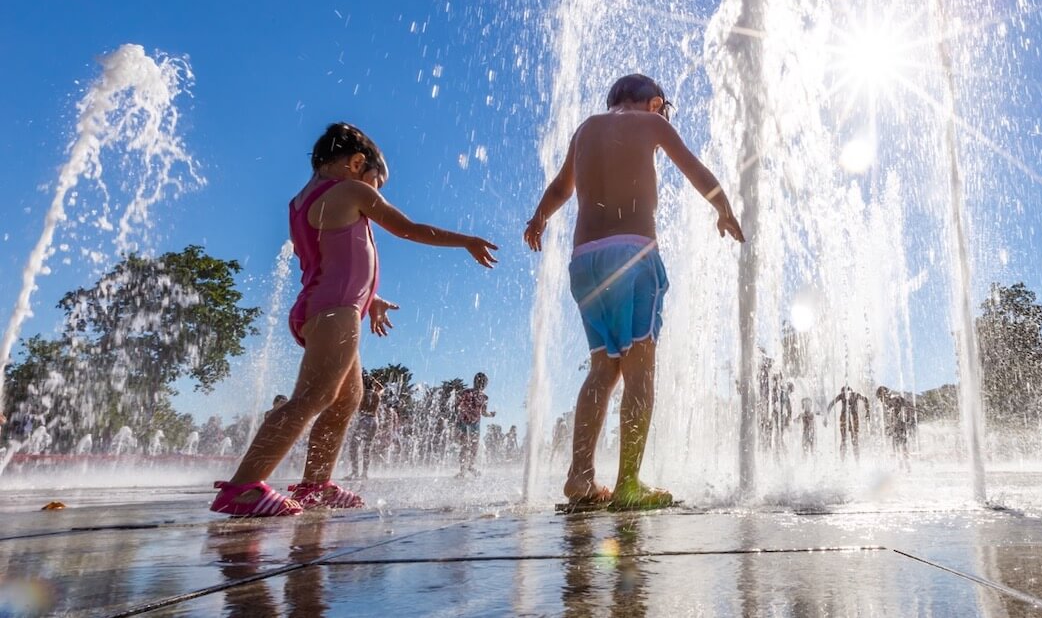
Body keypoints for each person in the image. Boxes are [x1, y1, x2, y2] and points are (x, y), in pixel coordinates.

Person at [211, 122, 498, 517]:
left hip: (327, 306)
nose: (377, 193)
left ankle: (316, 485)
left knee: (347, 398)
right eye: (377, 183)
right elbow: (408, 228)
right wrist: (465, 240)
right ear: (357, 163)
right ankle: (243, 487)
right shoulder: (351, 190)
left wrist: (371, 299)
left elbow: (326, 259)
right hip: (335, 309)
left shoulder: (301, 202)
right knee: (313, 397)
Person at [525, 74, 744, 510]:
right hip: (633, 255)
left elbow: (561, 189)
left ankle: (580, 478)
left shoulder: (585, 130)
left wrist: (539, 218)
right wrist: (723, 207)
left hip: (584, 261)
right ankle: (628, 483)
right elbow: (695, 169)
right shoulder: (652, 123)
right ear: (654, 102)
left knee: (602, 369)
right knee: (640, 368)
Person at [456, 372, 496, 476]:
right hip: (466, 422)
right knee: (466, 445)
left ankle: (469, 467)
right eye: (480, 382)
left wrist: (490, 414)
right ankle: (464, 469)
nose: (481, 385)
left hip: (473, 423)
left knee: (472, 446)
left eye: (482, 382)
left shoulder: (484, 397)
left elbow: (483, 412)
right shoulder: (467, 393)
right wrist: (463, 412)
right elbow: (458, 405)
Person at [348, 378, 384, 479]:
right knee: (367, 448)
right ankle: (364, 473)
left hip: (364, 420)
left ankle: (355, 472)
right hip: (374, 420)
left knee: (353, 446)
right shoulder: (377, 395)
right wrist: (375, 381)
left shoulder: (362, 394)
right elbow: (382, 388)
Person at [826, 385, 870, 461]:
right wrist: (867, 411)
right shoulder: (853, 395)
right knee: (852, 440)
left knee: (847, 440)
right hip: (850, 417)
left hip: (849, 417)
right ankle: (854, 461)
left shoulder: (849, 395)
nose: (846, 396)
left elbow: (831, 403)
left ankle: (846, 460)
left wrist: (826, 416)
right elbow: (865, 399)